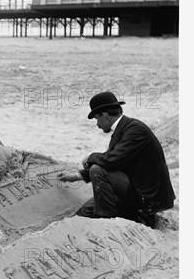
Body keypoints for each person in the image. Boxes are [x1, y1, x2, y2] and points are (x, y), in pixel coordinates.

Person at [57, 91, 175, 227]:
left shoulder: (135, 129)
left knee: (96, 169)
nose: (98, 125)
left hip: (147, 198)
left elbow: (110, 161)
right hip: (134, 188)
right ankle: (114, 214)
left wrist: (91, 157)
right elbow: (112, 163)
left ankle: (107, 223)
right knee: (84, 213)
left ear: (104, 115)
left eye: (97, 119)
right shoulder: (124, 129)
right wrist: (76, 176)